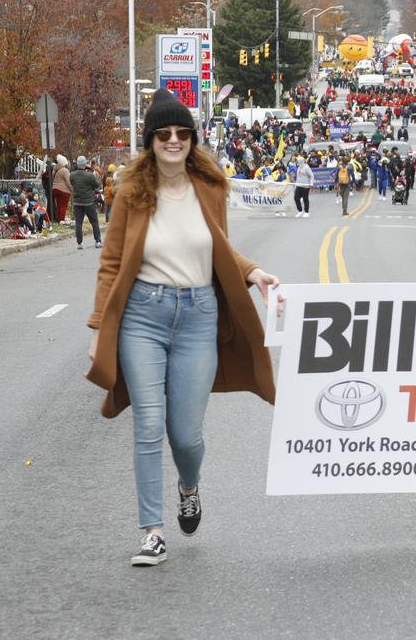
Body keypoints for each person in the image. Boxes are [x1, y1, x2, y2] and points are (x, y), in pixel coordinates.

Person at [85, 88, 281, 567]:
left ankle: (188, 486)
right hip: (142, 318)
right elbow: (111, 263)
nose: (173, 140)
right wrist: (97, 330)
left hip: (197, 318)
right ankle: (152, 532)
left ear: (192, 138)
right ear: (151, 140)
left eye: (182, 133)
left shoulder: (210, 188)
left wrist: (253, 271)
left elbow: (219, 248)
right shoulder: (132, 193)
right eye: (164, 133)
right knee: (149, 426)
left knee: (186, 435)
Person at [70, 155, 102, 249]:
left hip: (77, 202)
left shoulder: (72, 175)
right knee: (94, 222)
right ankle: (97, 241)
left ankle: (79, 243)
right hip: (88, 201)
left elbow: (72, 183)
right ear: (85, 164)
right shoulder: (90, 175)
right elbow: (96, 185)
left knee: (78, 223)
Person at [51, 154, 72, 223]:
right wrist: (72, 190)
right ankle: (61, 220)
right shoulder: (65, 170)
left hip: (55, 189)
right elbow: (68, 182)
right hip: (64, 190)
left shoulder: (56, 170)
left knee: (59, 205)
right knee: (63, 206)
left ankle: (59, 219)